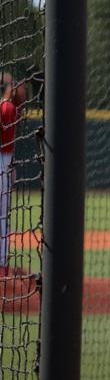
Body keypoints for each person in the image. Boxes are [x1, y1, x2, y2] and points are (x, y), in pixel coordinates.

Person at [0, 73, 25, 274]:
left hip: (4, 160)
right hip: (6, 161)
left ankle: (2, 265)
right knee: (3, 215)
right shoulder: (13, 109)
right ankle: (2, 263)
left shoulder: (7, 108)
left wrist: (7, 81)